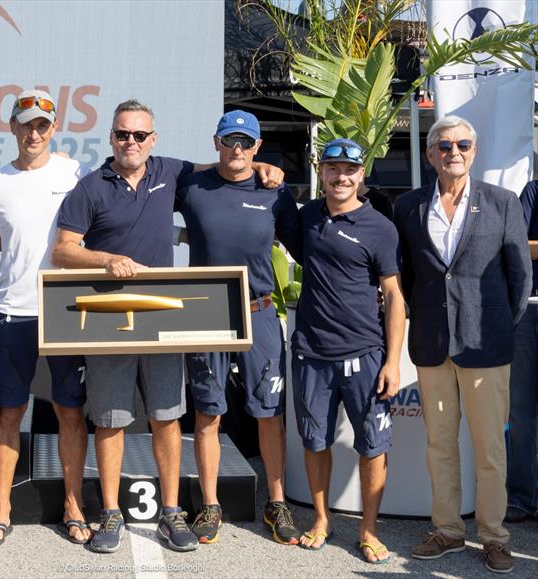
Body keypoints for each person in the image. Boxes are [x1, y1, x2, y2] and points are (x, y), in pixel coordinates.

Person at [51, 100, 283, 553]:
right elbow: (63, 250)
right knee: (112, 422)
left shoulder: (171, 171)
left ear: (153, 139)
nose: (131, 143)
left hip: (163, 318)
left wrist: (267, 167)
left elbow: (225, 165)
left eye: (140, 135)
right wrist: (106, 260)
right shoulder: (91, 187)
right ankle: (111, 514)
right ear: (111, 138)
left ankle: (173, 512)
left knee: (166, 418)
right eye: (123, 135)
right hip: (109, 319)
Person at [393, 116, 531, 574]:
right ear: (431, 154)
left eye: (463, 144)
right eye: (445, 145)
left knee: (490, 449)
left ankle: (494, 536)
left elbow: (519, 277)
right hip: (433, 344)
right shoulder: (408, 206)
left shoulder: (503, 203)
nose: (454, 151)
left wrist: (496, 326)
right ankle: (448, 530)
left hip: (486, 345)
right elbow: (408, 277)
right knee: (440, 445)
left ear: (474, 152)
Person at [174, 110, 300, 545]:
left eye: (246, 143)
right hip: (206, 309)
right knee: (209, 411)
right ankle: (210, 505)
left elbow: (307, 246)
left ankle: (277, 501)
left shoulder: (275, 194)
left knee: (269, 412)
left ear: (258, 147)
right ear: (216, 143)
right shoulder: (191, 187)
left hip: (261, 310)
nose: (238, 150)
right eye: (230, 141)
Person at [0, 90, 89, 546]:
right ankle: (0, 508)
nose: (34, 133)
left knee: (70, 412)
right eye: (26, 124)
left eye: (43, 125)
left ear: (53, 128)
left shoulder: (73, 172)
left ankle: (74, 506)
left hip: (65, 308)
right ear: (12, 126)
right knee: (9, 413)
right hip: (12, 313)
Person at [289, 138, 405, 563]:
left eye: (349, 170)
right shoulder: (307, 218)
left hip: (364, 354)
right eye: (333, 168)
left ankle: (368, 529)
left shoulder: (380, 227)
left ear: (362, 176)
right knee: (315, 441)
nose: (341, 177)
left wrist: (393, 361)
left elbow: (393, 295)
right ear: (320, 172)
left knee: (372, 445)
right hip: (311, 355)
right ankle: (321, 519)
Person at [505, 179, 538, 525]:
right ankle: (521, 498)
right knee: (520, 413)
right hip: (530, 309)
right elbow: (518, 245)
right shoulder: (534, 191)